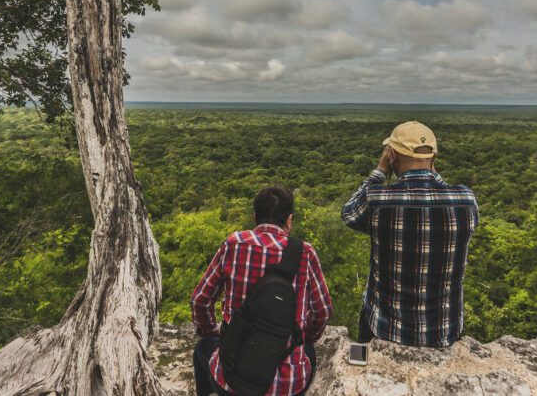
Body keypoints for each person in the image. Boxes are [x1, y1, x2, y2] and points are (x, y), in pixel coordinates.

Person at [342, 121, 479, 347]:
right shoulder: (465, 200)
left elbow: (349, 214)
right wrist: (432, 173)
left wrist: (380, 172)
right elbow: (442, 191)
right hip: (444, 331)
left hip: (384, 328)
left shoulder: (378, 199)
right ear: (434, 158)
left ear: (392, 156)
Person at [191, 185, 333, 396]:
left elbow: (200, 301)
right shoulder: (305, 253)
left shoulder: (233, 244)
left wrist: (212, 331)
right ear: (289, 220)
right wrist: (305, 337)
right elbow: (322, 311)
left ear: (255, 216)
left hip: (232, 381)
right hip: (287, 387)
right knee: (309, 350)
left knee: (203, 348)